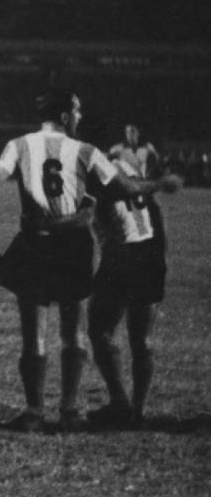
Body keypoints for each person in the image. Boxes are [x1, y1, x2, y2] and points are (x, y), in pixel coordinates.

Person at [0, 90, 181, 433]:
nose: (79, 117)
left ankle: (33, 411)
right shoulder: (87, 151)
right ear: (64, 116)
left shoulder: (17, 145)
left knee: (34, 337)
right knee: (73, 333)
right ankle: (70, 410)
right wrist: (160, 183)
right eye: (76, 112)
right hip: (73, 246)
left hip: (34, 242)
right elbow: (123, 187)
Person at [87, 156, 169, 429]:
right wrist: (160, 252)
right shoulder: (129, 168)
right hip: (149, 252)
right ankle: (138, 412)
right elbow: (154, 209)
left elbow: (87, 212)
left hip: (120, 255)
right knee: (142, 340)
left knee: (100, 330)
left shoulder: (98, 172)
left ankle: (121, 402)